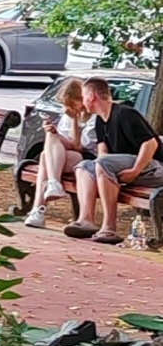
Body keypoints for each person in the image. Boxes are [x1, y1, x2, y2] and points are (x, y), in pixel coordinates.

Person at [64, 76, 163, 244]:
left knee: (103, 163)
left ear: (91, 96)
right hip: (122, 167)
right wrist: (95, 169)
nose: (83, 102)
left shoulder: (125, 114)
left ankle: (109, 228)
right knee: (83, 166)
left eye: (83, 96)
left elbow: (150, 144)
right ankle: (85, 220)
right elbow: (103, 151)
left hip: (153, 168)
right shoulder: (100, 121)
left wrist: (135, 171)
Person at [25, 78, 87, 228]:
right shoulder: (67, 115)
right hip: (63, 156)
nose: (71, 108)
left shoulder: (90, 117)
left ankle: (38, 210)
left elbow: (78, 146)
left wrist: (73, 122)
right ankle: (52, 185)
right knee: (46, 155)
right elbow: (60, 142)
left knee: (47, 154)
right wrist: (53, 131)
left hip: (84, 157)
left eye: (73, 104)